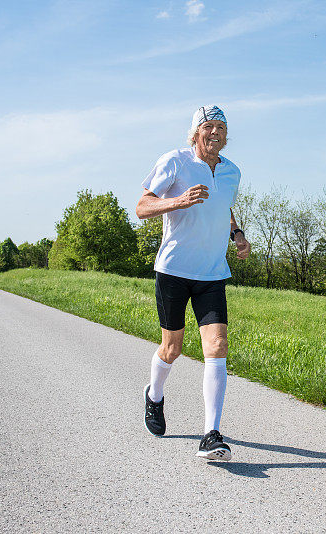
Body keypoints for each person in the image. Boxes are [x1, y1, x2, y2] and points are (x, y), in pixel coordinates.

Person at [135, 105, 251, 461]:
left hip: (213, 272)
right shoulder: (175, 161)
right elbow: (142, 206)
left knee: (216, 345)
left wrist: (238, 234)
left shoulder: (232, 172)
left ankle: (211, 434)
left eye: (221, 127)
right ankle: (154, 396)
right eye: (209, 126)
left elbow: (224, 206)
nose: (216, 132)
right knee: (172, 348)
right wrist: (178, 201)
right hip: (173, 270)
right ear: (195, 133)